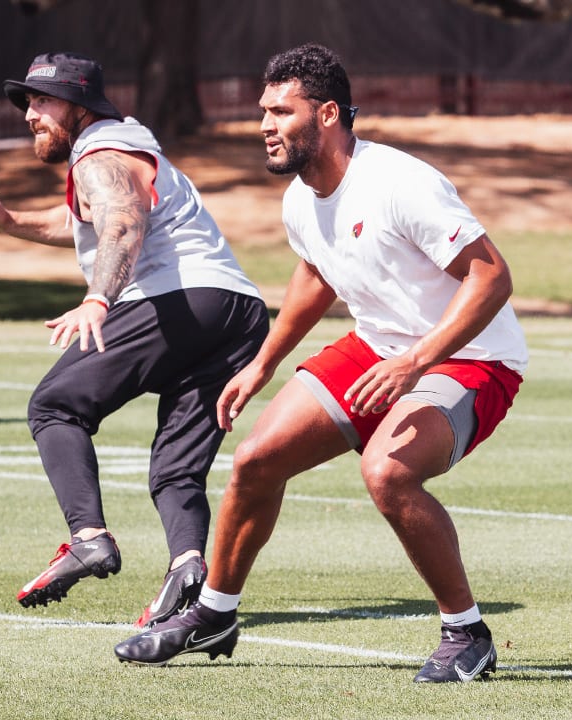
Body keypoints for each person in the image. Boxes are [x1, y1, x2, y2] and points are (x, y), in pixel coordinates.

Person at [114, 43, 528, 684]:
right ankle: (215, 614)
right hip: (381, 347)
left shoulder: (400, 183)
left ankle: (466, 632)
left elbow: (491, 276)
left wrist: (416, 361)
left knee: (387, 473)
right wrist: (260, 364)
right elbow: (316, 275)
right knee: (255, 460)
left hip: (472, 358)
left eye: (281, 111)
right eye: (263, 111)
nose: (265, 125)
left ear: (328, 113)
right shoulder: (301, 199)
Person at [0, 52, 268, 626]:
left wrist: (99, 298)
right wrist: (9, 223)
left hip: (179, 298)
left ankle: (88, 537)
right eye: (27, 102)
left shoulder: (98, 153)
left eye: (40, 101)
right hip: (237, 308)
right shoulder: (120, 146)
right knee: (175, 468)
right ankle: (188, 571)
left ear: (78, 105)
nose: (29, 114)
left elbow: (121, 220)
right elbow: (88, 219)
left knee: (55, 406)